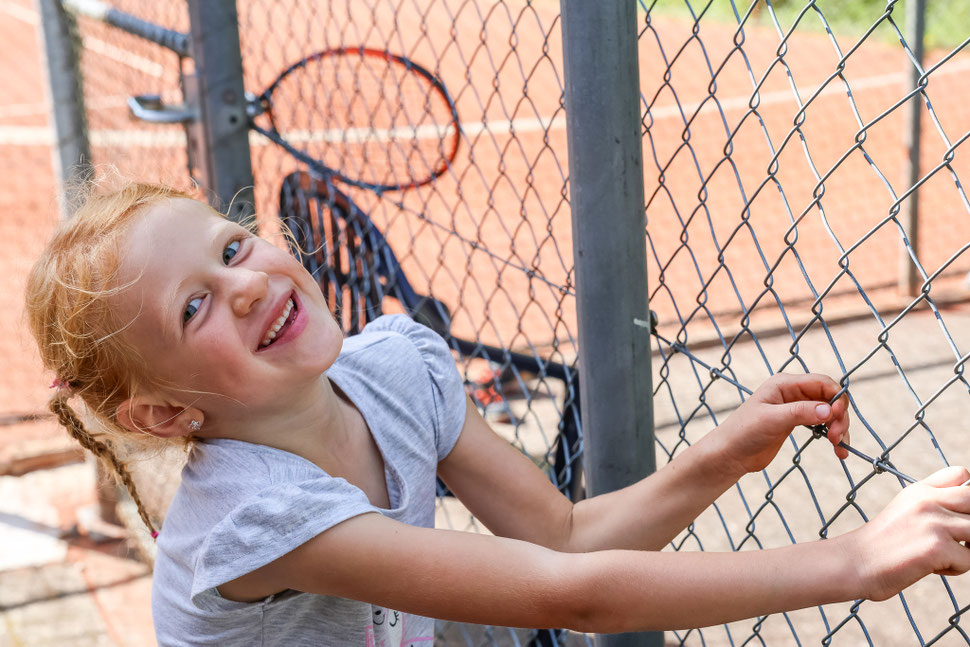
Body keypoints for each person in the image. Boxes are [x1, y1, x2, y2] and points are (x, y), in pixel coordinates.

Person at [25, 181, 970, 646]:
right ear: (162, 413)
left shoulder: (396, 368)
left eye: (233, 247)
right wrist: (853, 562)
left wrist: (723, 452)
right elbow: (570, 594)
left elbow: (560, 535)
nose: (241, 285)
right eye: (191, 306)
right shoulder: (250, 514)